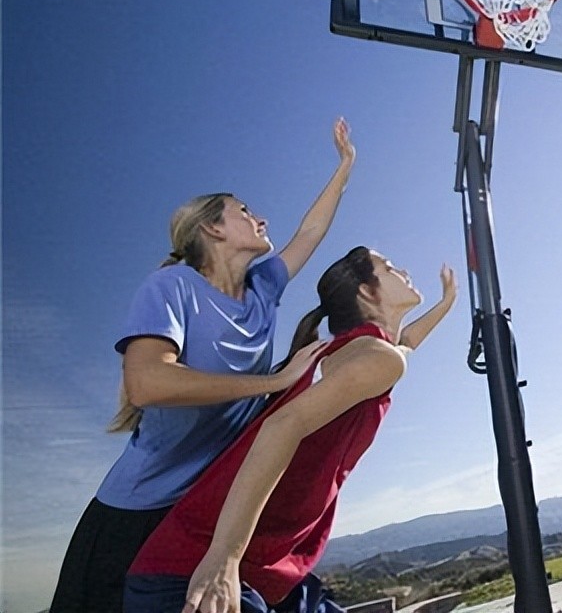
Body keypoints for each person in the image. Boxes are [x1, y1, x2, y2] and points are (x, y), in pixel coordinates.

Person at [50, 119, 357, 613]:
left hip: (202, 509)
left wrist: (344, 166)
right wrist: (274, 381)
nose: (260, 218)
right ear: (212, 228)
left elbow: (311, 231)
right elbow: (147, 383)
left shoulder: (263, 290)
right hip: (133, 517)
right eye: (244, 211)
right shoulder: (171, 287)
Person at [123, 247, 457, 613]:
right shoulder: (375, 357)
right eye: (389, 267)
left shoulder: (346, 351)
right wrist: (224, 557)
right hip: (197, 575)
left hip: (240, 568)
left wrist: (446, 302)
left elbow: (405, 345)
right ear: (366, 290)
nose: (403, 269)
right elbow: (282, 425)